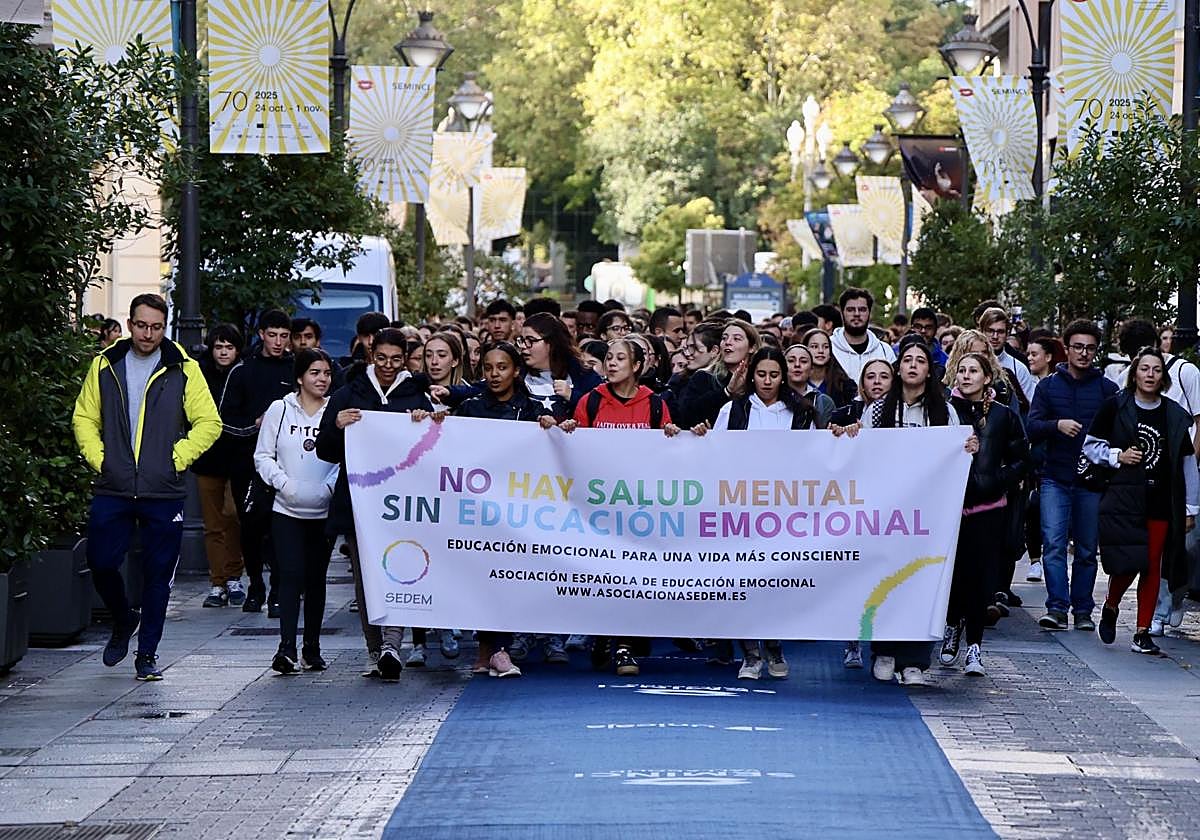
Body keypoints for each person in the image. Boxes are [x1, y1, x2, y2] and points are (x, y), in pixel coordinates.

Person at [72, 293, 222, 681]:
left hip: (162, 489)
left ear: (164, 326)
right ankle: (124, 620)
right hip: (114, 484)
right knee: (102, 561)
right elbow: (84, 417)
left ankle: (148, 653)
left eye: (156, 327)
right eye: (141, 325)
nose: (148, 334)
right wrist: (101, 459)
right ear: (131, 322)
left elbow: (209, 422)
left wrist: (176, 458)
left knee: (159, 574)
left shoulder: (183, 369)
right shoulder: (105, 365)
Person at [315, 328, 434, 681]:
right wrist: (337, 424)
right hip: (359, 502)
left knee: (400, 566)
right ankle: (373, 648)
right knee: (367, 578)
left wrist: (425, 421)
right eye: (381, 358)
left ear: (405, 359)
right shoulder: (348, 394)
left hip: (403, 503)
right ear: (370, 354)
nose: (387, 365)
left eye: (396, 360)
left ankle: (392, 645)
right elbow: (326, 449)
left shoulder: (416, 394)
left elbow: (433, 447)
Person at [561, 339, 680, 677]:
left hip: (638, 510)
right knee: (602, 575)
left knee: (632, 576)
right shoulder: (591, 401)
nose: (611, 364)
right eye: (608, 358)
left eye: (620, 359)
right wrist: (569, 430)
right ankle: (602, 633)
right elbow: (574, 452)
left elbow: (668, 457)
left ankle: (625, 646)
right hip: (598, 508)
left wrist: (673, 435)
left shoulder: (655, 405)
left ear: (638, 366)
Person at [861, 338, 972, 686]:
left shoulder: (945, 411)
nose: (912, 366)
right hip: (887, 511)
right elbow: (861, 453)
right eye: (906, 360)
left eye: (919, 361)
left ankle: (914, 660)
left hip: (928, 514)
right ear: (898, 367)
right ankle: (884, 650)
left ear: (929, 369)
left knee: (920, 582)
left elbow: (957, 453)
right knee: (885, 580)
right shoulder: (879, 409)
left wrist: (969, 446)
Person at [453, 343, 563, 674]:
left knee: (506, 576)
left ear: (516, 371)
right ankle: (490, 649)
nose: (495, 374)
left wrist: (554, 429)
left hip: (517, 512)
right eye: (488, 368)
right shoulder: (470, 408)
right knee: (482, 577)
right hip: (478, 508)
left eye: (502, 367)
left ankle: (496, 648)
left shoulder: (530, 410)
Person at [695, 346, 804, 680]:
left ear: (783, 375)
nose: (767, 381)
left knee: (773, 583)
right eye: (761, 374)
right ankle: (751, 653)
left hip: (784, 512)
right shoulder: (734, 410)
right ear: (751, 375)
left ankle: (773, 645)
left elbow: (817, 458)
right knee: (742, 581)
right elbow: (715, 453)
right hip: (740, 510)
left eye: (774, 375)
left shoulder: (800, 412)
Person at [1086, 348, 1199, 655]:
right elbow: (1090, 446)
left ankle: (1142, 631)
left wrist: (1191, 507)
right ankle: (1111, 604)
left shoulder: (1174, 415)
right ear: (1134, 372)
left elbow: (1186, 463)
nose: (1150, 375)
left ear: (1164, 377)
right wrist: (1116, 456)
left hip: (1161, 500)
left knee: (1151, 565)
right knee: (1127, 563)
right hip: (1124, 497)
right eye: (1145, 368)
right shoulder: (1115, 406)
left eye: (1157, 370)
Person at [941, 352, 1030, 677]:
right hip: (950, 508)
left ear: (987, 377)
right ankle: (952, 627)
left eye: (973, 371)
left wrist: (998, 481)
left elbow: (1022, 457)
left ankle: (975, 646)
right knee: (954, 576)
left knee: (980, 579)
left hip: (988, 508)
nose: (966, 376)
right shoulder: (945, 411)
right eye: (961, 370)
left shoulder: (1004, 415)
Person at [1027, 319, 1119, 631]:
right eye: (1078, 347)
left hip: (1092, 481)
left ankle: (1082, 610)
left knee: (1085, 549)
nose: (1083, 353)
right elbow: (1032, 427)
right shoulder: (1049, 386)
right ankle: (1056, 607)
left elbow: (1119, 432)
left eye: (1090, 348)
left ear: (1096, 351)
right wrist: (1057, 425)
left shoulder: (1107, 390)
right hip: (1055, 475)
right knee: (1052, 544)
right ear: (1066, 349)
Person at [254, 348, 340, 674]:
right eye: (315, 373)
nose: (322, 379)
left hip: (323, 511)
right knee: (290, 575)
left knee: (316, 579)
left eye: (327, 373)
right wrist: (283, 484)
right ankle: (286, 649)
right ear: (301, 377)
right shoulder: (280, 409)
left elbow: (346, 456)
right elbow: (263, 455)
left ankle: (312, 649)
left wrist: (329, 489)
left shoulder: (335, 411)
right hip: (285, 509)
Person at [222, 309, 295, 617]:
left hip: (288, 464)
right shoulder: (242, 372)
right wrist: (256, 425)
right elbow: (224, 419)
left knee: (281, 528)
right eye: (272, 335)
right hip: (247, 464)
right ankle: (255, 584)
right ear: (262, 334)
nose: (278, 342)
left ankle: (278, 589)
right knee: (250, 528)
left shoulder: (296, 369)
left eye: (283, 336)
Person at [192, 324, 248, 608]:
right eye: (218, 346)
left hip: (238, 457)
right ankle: (218, 582)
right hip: (207, 457)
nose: (223, 352)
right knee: (213, 523)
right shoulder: (199, 374)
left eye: (229, 347)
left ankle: (234, 574)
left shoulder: (244, 373)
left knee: (233, 515)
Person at [674, 319, 760, 429]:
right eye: (724, 338)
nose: (728, 342)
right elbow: (687, 416)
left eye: (737, 339)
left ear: (752, 347)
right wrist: (726, 392)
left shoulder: (759, 379)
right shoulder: (704, 377)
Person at [829, 288, 895, 385]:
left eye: (862, 310)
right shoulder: (828, 348)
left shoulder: (885, 351)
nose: (856, 314)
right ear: (842, 313)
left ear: (870, 313)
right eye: (850, 310)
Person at [978, 307, 1037, 404]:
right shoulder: (967, 363)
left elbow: (1031, 406)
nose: (995, 336)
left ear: (1007, 334)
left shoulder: (1019, 368)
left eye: (1000, 332)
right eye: (990, 331)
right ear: (981, 331)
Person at [781, 343, 835, 428]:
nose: (797, 365)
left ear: (811, 369)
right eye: (791, 361)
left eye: (803, 361)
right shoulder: (773, 398)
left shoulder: (823, 402)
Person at [802, 327, 857, 408]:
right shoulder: (796, 382)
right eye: (814, 346)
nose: (821, 351)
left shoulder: (844, 385)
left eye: (826, 347)